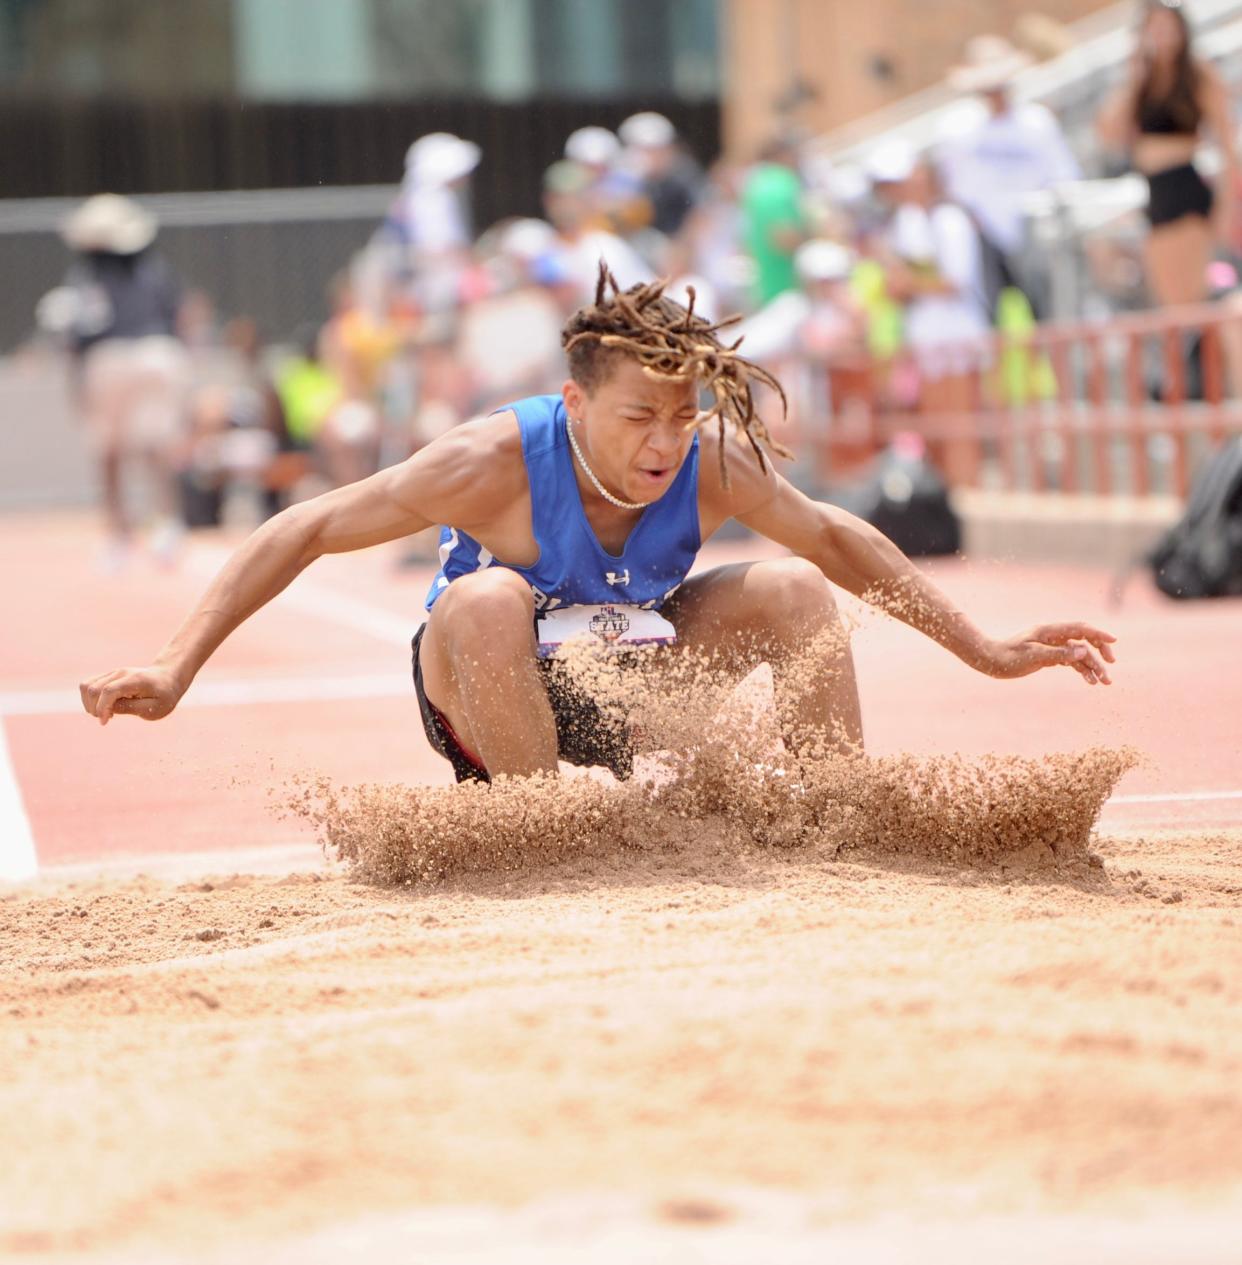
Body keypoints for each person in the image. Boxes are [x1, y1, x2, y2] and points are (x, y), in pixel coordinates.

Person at [80, 266, 1116, 785]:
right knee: (486, 595)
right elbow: (301, 528)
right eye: (638, 417)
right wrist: (176, 666)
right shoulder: (488, 460)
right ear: (576, 406)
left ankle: (843, 816)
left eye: (680, 413)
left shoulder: (706, 458)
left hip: (632, 680)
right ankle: (548, 830)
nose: (666, 442)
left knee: (798, 587)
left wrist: (984, 647)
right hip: (489, 686)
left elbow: (840, 540)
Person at [56, 193, 191, 569]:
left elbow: (78, 335)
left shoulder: (85, 276)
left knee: (110, 451)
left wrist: (77, 385)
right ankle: (167, 526)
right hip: (158, 354)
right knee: (156, 447)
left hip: (109, 358)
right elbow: (177, 318)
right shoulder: (157, 269)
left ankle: (119, 535)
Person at [1096, 0, 1238, 309]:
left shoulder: (1197, 75)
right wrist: (1134, 75)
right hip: (1156, 194)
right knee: (1170, 305)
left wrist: (1226, 207)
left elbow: (1226, 143)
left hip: (1186, 191)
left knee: (1197, 300)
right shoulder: (1142, 81)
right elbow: (1110, 133)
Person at [938, 34, 1081, 315]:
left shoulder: (1036, 121)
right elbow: (954, 188)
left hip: (1038, 231)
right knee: (991, 316)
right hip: (984, 235)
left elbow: (1063, 175)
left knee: (1050, 311)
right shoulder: (957, 129)